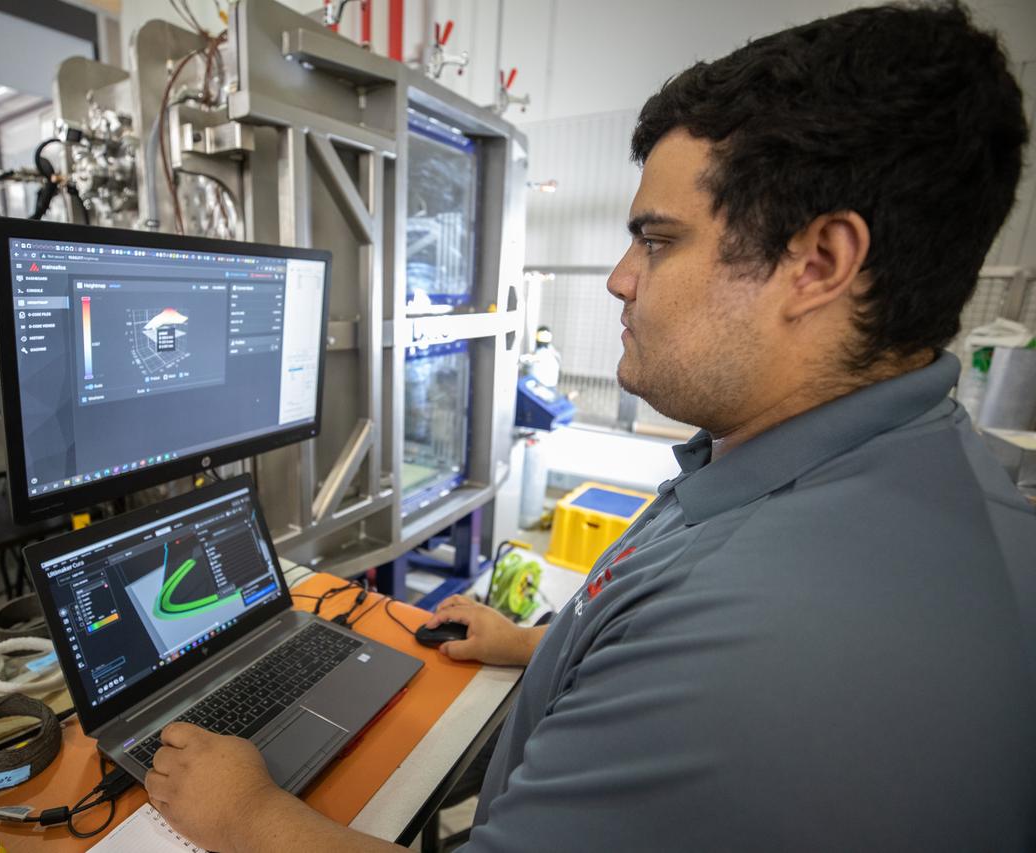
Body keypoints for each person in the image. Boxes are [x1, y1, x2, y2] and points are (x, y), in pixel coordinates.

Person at [143, 3, 1036, 849]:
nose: (618, 278)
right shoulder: (896, 467)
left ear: (818, 263)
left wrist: (250, 816)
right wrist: (544, 645)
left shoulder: (762, 652)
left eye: (657, 239)